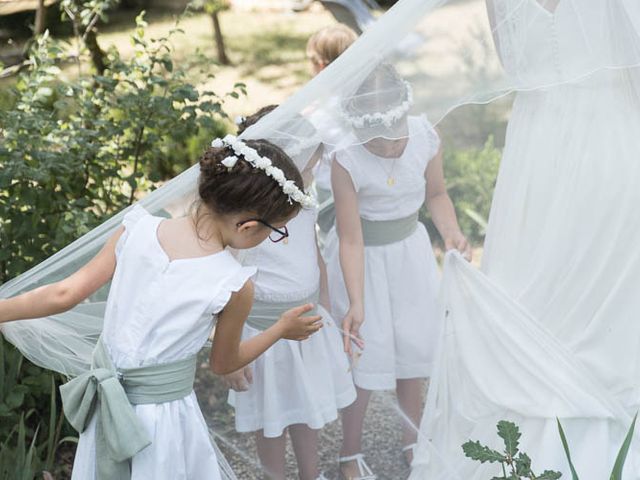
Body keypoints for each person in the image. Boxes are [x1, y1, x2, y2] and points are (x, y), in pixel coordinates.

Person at [0, 137, 322, 480]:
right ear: (248, 226)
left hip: (108, 408)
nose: (277, 239)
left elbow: (64, 293)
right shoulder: (233, 283)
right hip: (164, 422)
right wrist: (280, 330)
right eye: (277, 232)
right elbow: (224, 362)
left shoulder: (136, 228)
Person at [325, 64, 470, 479]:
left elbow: (437, 193)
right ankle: (349, 453)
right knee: (365, 358)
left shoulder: (425, 136)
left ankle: (412, 439)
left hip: (410, 254)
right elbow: (350, 238)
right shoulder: (345, 159)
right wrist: (356, 300)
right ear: (357, 125)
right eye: (378, 139)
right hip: (364, 261)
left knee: (413, 351)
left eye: (394, 133)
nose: (389, 147)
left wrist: (452, 234)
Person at [224, 109, 357, 480]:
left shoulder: (304, 202)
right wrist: (231, 351)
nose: (314, 172)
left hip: (308, 321)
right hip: (263, 330)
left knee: (307, 409)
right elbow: (228, 279)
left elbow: (314, 257)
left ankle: (310, 475)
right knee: (272, 418)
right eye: (310, 165)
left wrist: (327, 309)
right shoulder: (246, 216)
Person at [306, 25, 358, 246]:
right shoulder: (362, 103)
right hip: (366, 188)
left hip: (332, 197)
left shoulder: (317, 115)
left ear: (320, 66)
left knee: (335, 245)